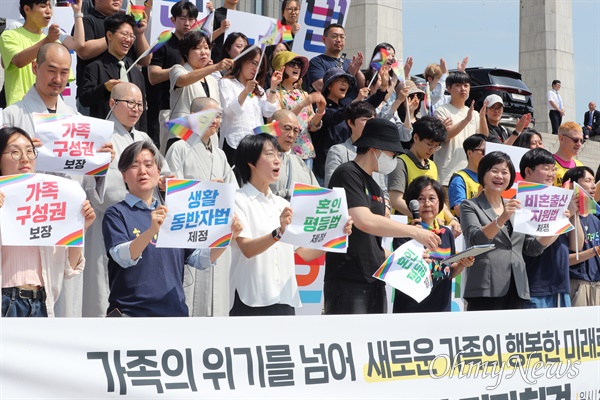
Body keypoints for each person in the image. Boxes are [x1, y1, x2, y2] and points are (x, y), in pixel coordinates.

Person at [103, 140, 242, 317]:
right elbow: (122, 256)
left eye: (148, 165)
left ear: (159, 172)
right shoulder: (116, 213)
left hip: (174, 314)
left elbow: (200, 259)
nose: (143, 171)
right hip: (131, 314)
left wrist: (227, 236)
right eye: (134, 166)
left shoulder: (174, 212)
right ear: (123, 175)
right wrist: (151, 232)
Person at [325, 118, 441, 314]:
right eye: (392, 153)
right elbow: (364, 221)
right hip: (348, 279)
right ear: (375, 149)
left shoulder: (375, 184)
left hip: (374, 276)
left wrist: (408, 258)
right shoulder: (347, 174)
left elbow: (372, 244)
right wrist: (414, 232)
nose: (394, 158)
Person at [230, 133, 352, 316]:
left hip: (285, 298)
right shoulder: (238, 199)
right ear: (251, 162)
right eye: (270, 154)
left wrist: (336, 235)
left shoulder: (283, 204)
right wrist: (278, 233)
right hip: (252, 298)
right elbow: (247, 249)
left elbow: (304, 253)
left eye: (279, 155)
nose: (278, 160)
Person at [82, 82, 169, 318]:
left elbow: (165, 175)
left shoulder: (143, 138)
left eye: (140, 104)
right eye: (130, 103)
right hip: (111, 220)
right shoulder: (99, 135)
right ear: (112, 103)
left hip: (146, 221)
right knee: (104, 289)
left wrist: (164, 184)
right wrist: (100, 168)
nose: (136, 109)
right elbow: (96, 190)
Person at [0, 126, 96, 317]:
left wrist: (79, 228)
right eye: (15, 152)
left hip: (42, 303)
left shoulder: (52, 199)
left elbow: (70, 270)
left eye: (29, 151)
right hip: (5, 302)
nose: (25, 158)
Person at [165, 97, 235, 317]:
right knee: (190, 293)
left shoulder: (221, 155)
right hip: (189, 234)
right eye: (210, 115)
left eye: (219, 116)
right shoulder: (179, 148)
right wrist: (205, 190)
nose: (216, 120)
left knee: (217, 298)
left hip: (216, 233)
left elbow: (234, 194)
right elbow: (170, 193)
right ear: (193, 118)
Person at [459, 151, 556, 310]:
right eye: (494, 171)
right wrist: (502, 217)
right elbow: (475, 239)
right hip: (486, 287)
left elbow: (531, 248)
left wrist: (555, 227)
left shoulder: (516, 205)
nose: (500, 176)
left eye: (505, 172)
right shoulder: (470, 205)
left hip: (517, 286)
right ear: (483, 174)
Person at [393, 176, 473, 313]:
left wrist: (461, 264)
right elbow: (399, 272)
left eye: (432, 198)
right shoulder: (406, 233)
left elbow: (448, 271)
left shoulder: (446, 233)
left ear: (440, 203)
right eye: (421, 199)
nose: (427, 204)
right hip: (411, 309)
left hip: (441, 307)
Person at [520, 148, 582, 308]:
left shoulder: (558, 201)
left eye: (553, 169)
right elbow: (533, 248)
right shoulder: (520, 203)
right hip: (535, 287)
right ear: (528, 171)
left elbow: (576, 246)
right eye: (546, 168)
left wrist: (573, 213)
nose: (551, 173)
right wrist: (562, 218)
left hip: (561, 286)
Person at [311, 67, 388, 184]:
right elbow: (333, 117)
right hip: (324, 167)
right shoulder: (320, 106)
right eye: (340, 80)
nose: (344, 84)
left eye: (346, 81)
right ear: (329, 86)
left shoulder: (346, 105)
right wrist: (356, 100)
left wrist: (383, 87)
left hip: (347, 159)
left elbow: (368, 107)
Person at [0, 0, 84, 106]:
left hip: (48, 111)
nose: (48, 11)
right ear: (27, 9)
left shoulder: (54, 41)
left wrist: (78, 13)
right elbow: (18, 61)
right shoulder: (10, 35)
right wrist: (47, 41)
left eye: (50, 6)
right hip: (20, 109)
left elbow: (78, 45)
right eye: (43, 6)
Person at [388, 116, 461, 236]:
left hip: (435, 229)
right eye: (429, 144)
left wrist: (451, 219)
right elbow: (395, 200)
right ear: (416, 137)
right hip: (411, 230)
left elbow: (438, 201)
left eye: (437, 146)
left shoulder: (432, 165)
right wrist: (426, 217)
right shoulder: (401, 163)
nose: (432, 150)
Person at [74, 0, 150, 114]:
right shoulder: (88, 21)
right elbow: (84, 52)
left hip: (128, 101)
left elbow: (145, 60)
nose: (117, 0)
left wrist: (139, 34)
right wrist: (115, 37)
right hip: (96, 97)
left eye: (130, 36)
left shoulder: (127, 27)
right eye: (125, 34)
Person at [165, 30, 232, 153]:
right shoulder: (178, 69)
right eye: (197, 48)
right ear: (186, 53)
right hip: (182, 137)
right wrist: (216, 67)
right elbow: (183, 80)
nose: (204, 52)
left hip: (208, 141)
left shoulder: (212, 80)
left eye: (206, 48)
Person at [147, 0, 198, 148]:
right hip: (170, 109)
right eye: (182, 18)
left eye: (191, 19)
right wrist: (180, 70)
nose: (187, 23)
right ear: (173, 20)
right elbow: (153, 76)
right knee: (168, 155)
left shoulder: (197, 46)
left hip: (194, 111)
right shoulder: (163, 43)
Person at [218, 45, 280, 166]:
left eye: (260, 66)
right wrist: (245, 91)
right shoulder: (226, 83)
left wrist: (273, 86)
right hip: (234, 143)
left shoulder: (259, 89)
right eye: (253, 63)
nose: (256, 69)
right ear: (243, 60)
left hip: (256, 146)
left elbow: (268, 112)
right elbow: (229, 111)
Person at [271, 50, 326, 169]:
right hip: (283, 150)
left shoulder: (304, 95)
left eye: (299, 65)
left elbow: (311, 126)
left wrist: (320, 112)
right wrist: (303, 104)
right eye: (292, 63)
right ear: (281, 67)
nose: (296, 67)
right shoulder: (274, 93)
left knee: (304, 186)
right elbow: (278, 122)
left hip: (305, 151)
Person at [433, 71, 485, 185]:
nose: (463, 89)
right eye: (458, 85)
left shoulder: (474, 114)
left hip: (470, 177)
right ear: (448, 88)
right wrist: (466, 120)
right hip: (447, 177)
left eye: (466, 85)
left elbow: (482, 140)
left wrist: (482, 117)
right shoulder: (441, 111)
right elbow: (444, 136)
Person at [564, 166, 600, 306]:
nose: (593, 186)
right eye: (588, 180)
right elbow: (564, 259)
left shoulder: (595, 219)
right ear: (573, 185)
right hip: (577, 285)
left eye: (594, 181)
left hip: (596, 285)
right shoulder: (564, 218)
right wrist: (595, 251)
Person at [305, 23, 365, 104]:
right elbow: (321, 87)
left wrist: (357, 71)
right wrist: (349, 73)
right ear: (323, 39)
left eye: (342, 37)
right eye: (334, 36)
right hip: (330, 111)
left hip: (353, 110)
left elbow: (362, 87)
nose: (339, 40)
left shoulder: (350, 63)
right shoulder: (316, 62)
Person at [269, 109, 319, 200]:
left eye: (296, 131)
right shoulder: (259, 160)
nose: (291, 135)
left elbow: (317, 197)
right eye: (287, 129)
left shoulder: (300, 163)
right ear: (273, 128)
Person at [448, 134, 486, 217]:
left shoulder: (490, 178)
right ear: (469, 153)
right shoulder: (459, 178)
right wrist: (478, 196)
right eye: (483, 152)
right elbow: (458, 211)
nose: (486, 155)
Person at [553, 121, 584, 187]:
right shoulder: (548, 164)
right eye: (575, 140)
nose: (579, 144)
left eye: (581, 141)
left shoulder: (580, 166)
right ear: (562, 139)